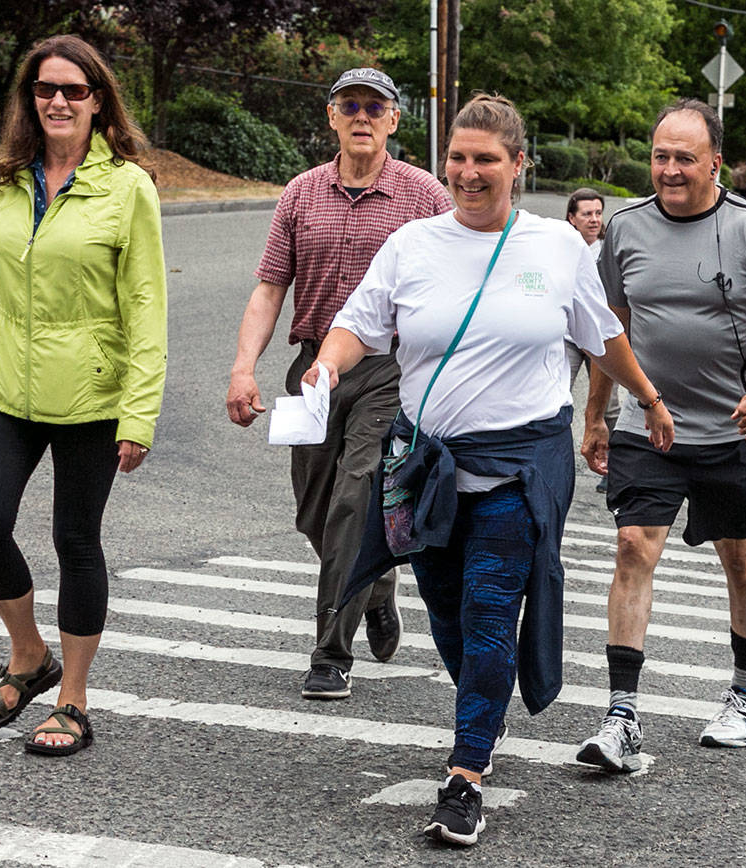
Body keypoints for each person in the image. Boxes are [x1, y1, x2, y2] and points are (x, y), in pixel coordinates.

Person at [306, 94, 673, 846]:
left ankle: (466, 771)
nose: (469, 173)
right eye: (459, 158)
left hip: (520, 461)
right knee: (445, 606)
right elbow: (357, 324)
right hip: (426, 460)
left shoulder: (558, 248)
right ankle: (486, 702)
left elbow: (600, 335)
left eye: (487, 160)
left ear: (519, 166)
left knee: (487, 605)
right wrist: (324, 367)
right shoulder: (412, 245)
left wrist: (646, 399)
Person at [0, 35, 167, 756]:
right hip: (9, 384)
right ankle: (26, 653)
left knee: (76, 540)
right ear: (29, 99)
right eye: (45, 89)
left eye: (74, 90)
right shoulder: (2, 177)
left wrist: (140, 412)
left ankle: (72, 698)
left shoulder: (128, 187)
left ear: (98, 100)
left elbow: (147, 307)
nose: (58, 101)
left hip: (92, 396)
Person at [577, 98, 746, 770]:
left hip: (732, 430)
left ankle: (745, 693)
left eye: (685, 157)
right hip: (646, 425)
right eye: (660, 156)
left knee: (739, 560)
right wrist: (597, 416)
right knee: (632, 546)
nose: (670, 169)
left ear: (716, 161)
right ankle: (622, 715)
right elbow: (609, 332)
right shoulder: (623, 230)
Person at [225, 68, 452, 700]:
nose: (362, 117)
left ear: (393, 121)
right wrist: (244, 368)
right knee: (315, 512)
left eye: (374, 108)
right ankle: (377, 585)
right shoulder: (300, 193)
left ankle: (331, 651)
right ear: (331, 117)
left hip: (390, 370)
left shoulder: (424, 195)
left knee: (357, 495)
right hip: (314, 369)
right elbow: (271, 286)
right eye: (349, 105)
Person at [564, 187, 619, 492]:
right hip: (570, 336)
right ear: (572, 218)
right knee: (556, 393)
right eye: (587, 214)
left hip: (600, 338)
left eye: (598, 213)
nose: (594, 219)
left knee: (609, 406)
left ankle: (615, 466)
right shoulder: (562, 246)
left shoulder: (608, 249)